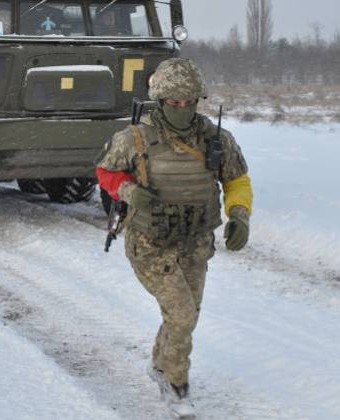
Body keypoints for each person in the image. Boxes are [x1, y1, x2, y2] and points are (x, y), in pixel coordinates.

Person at [96, 58, 253, 416]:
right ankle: (176, 385)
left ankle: (159, 365)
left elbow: (237, 180)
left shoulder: (216, 139)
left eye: (188, 103)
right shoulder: (133, 138)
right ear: (160, 101)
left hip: (196, 241)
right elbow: (105, 171)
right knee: (182, 314)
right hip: (150, 243)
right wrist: (127, 191)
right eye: (174, 103)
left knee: (186, 314)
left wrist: (239, 214)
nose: (182, 110)